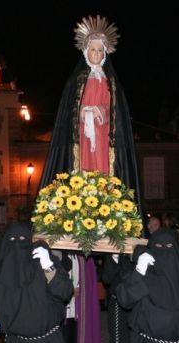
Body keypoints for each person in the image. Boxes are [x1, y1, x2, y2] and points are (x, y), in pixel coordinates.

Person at [39, 15, 140, 203]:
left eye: (99, 50)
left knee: (102, 165)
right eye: (92, 50)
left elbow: (116, 112)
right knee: (84, 163)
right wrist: (84, 110)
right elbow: (69, 109)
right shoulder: (77, 81)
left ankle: (103, 197)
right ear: (86, 52)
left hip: (103, 135)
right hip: (83, 135)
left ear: (104, 54)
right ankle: (83, 195)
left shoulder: (110, 82)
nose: (95, 53)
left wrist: (100, 111)